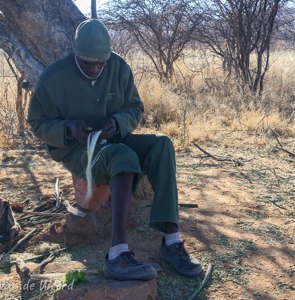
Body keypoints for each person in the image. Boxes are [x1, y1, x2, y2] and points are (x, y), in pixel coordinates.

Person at [28, 19, 202, 281]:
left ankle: (171, 242)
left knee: (162, 145)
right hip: (78, 150)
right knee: (123, 156)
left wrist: (119, 122)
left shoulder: (118, 67)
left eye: (101, 63)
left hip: (114, 140)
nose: (96, 69)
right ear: (75, 53)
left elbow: (135, 107)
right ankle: (117, 255)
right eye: (88, 63)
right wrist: (67, 128)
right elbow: (37, 122)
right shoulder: (54, 77)